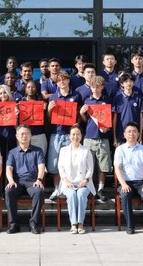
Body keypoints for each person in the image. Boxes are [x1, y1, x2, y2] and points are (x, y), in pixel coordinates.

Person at [46, 70, 83, 201]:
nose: (62, 82)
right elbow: (49, 119)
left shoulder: (76, 95)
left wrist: (77, 124)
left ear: (68, 80)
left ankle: (67, 188)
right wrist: (49, 110)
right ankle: (57, 188)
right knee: (55, 163)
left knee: (69, 163)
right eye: (59, 80)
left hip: (70, 134)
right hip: (56, 133)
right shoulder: (53, 97)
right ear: (56, 83)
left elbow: (80, 114)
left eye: (64, 79)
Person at [5, 125, 46, 234]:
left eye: (27, 133)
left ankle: (33, 223)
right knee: (8, 191)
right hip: (17, 181)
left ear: (31, 135)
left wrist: (39, 179)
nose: (24, 136)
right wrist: (10, 181)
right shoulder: (12, 152)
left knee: (38, 191)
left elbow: (41, 166)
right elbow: (9, 168)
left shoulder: (38, 151)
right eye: (22, 134)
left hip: (32, 181)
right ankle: (14, 224)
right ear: (17, 136)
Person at [114, 123, 143, 234]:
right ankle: (130, 226)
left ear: (138, 134)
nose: (131, 134)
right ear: (124, 134)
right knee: (125, 195)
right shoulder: (120, 149)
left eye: (134, 131)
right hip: (126, 182)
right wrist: (123, 184)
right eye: (129, 131)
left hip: (141, 183)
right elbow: (117, 168)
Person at [78, 76, 112, 202]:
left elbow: (110, 118)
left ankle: (100, 189)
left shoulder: (107, 100)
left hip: (103, 137)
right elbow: (85, 121)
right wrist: (81, 113)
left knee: (103, 165)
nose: (95, 89)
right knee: (88, 165)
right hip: (89, 136)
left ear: (102, 87)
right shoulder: (87, 101)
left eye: (98, 87)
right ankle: (90, 188)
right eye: (93, 87)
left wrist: (107, 128)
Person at [58, 125, 96, 234]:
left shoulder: (86, 150)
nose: (75, 136)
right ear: (69, 136)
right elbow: (60, 167)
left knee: (80, 194)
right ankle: (73, 224)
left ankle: (80, 223)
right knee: (71, 195)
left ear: (81, 136)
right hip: (67, 183)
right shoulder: (63, 150)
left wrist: (85, 180)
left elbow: (90, 169)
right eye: (73, 134)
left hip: (83, 183)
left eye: (78, 134)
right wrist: (66, 181)